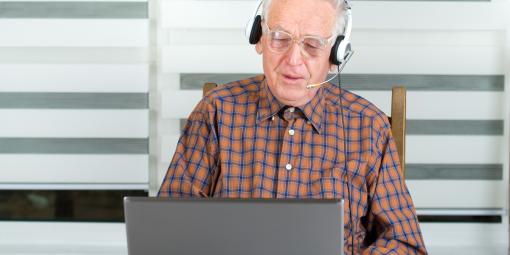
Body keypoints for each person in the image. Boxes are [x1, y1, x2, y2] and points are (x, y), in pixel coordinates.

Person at [158, 0, 427, 254]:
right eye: (280, 38)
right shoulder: (216, 111)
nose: (293, 60)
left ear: (336, 55)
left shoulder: (369, 126)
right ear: (259, 38)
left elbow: (405, 244)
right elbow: (167, 228)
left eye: (312, 45)